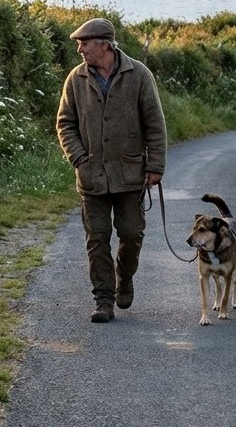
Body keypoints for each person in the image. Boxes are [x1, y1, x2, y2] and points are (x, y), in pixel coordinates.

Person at [56, 18, 167, 323]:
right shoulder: (75, 79)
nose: (80, 49)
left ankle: (125, 276)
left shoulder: (139, 75)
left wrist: (155, 165)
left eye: (84, 43)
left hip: (131, 174)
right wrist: (79, 158)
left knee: (131, 233)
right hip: (91, 177)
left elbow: (154, 123)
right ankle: (103, 299)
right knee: (97, 238)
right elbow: (64, 124)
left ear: (104, 45)